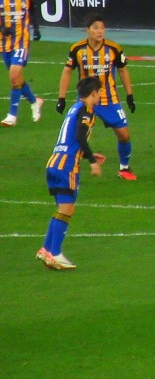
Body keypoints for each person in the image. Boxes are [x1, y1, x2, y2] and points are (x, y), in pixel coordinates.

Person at [56, 14, 138, 180]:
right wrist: (61, 98)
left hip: (109, 99)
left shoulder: (113, 48)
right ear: (87, 30)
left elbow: (123, 70)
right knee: (79, 134)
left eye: (102, 27)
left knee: (124, 135)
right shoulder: (77, 49)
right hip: (87, 100)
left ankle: (124, 168)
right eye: (95, 28)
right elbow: (67, 72)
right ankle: (71, 165)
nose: (100, 31)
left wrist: (130, 95)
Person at [37, 76, 105, 270]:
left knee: (62, 209)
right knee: (67, 209)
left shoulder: (74, 108)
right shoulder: (87, 111)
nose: (99, 96)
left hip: (54, 162)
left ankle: (46, 250)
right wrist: (92, 161)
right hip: (67, 166)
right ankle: (55, 252)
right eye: (99, 92)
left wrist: (89, 154)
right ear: (93, 93)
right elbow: (79, 135)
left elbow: (71, 140)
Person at [1, 0, 42, 127]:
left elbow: (32, 12)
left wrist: (37, 29)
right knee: (17, 78)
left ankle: (12, 115)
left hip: (21, 42)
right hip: (4, 45)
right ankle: (34, 101)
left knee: (13, 75)